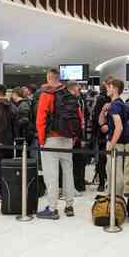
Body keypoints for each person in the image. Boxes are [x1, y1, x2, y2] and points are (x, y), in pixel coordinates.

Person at [36, 70, 82, 219]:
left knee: (52, 175)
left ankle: (52, 208)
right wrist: (73, 137)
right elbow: (79, 118)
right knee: (68, 173)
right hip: (67, 139)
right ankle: (69, 206)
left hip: (51, 139)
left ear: (49, 78)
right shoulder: (69, 94)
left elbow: (40, 120)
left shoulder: (47, 94)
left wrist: (42, 140)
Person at [98, 79, 128, 198]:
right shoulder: (114, 104)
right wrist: (103, 109)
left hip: (115, 144)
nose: (107, 89)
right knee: (111, 172)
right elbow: (101, 123)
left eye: (109, 87)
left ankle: (116, 199)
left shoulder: (115, 105)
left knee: (116, 173)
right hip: (114, 142)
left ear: (115, 89)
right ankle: (111, 198)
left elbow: (119, 127)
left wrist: (111, 145)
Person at [91, 81, 112, 192]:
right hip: (102, 134)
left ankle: (104, 182)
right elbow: (97, 117)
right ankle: (103, 182)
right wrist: (104, 126)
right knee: (103, 159)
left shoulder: (107, 99)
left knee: (104, 159)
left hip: (103, 134)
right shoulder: (102, 100)